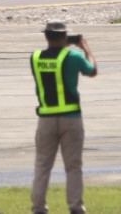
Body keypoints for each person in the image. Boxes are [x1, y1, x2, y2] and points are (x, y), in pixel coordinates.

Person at [30, 21, 98, 214]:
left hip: (46, 119)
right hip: (71, 118)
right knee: (73, 166)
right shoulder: (73, 56)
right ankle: (76, 206)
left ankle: (38, 207)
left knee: (42, 165)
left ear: (46, 37)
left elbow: (52, 62)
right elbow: (92, 71)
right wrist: (86, 49)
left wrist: (61, 45)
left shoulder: (35, 58)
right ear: (64, 37)